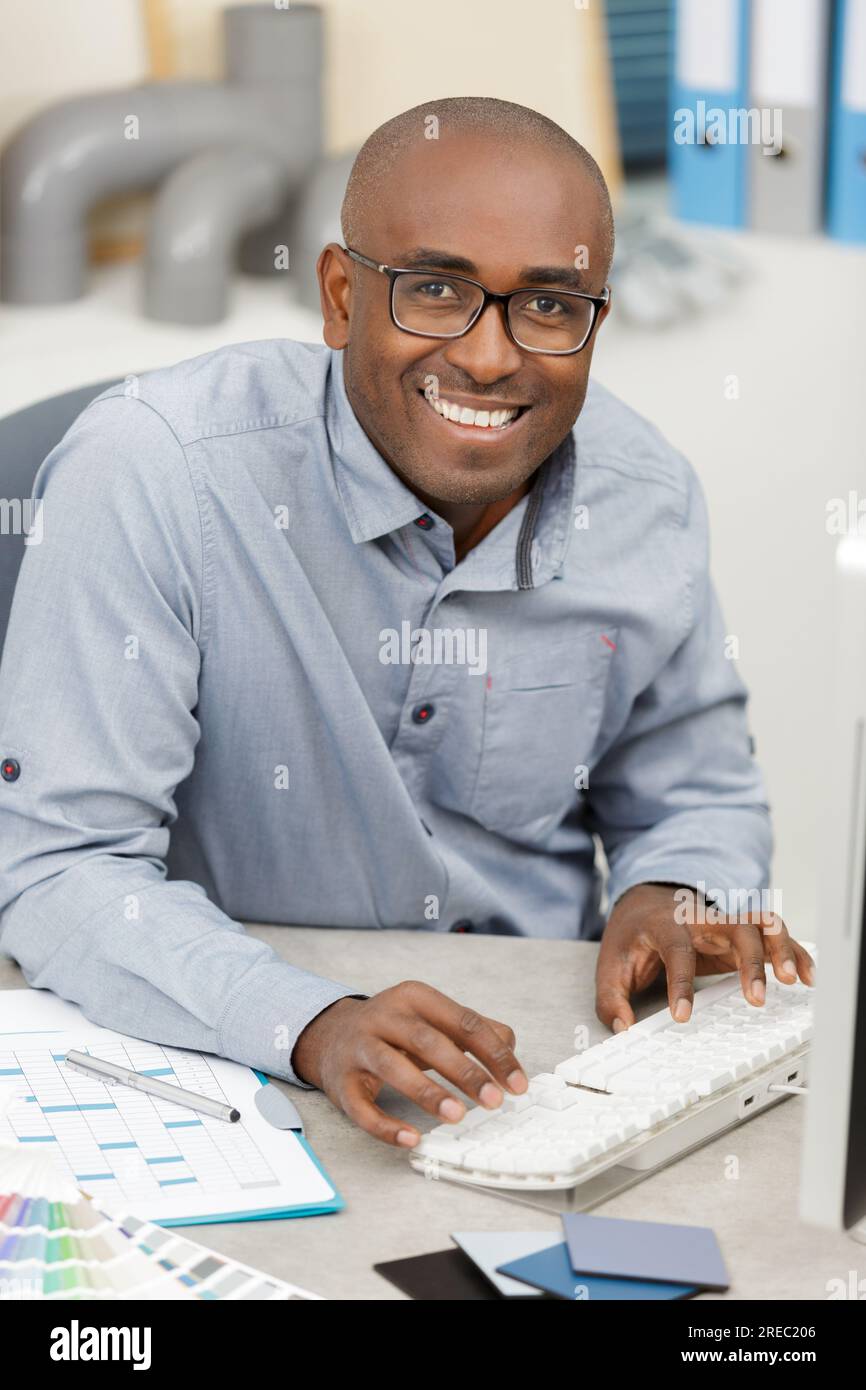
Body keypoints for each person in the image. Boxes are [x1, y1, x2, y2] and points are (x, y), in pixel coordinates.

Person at [0, 97, 813, 1150]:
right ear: (340, 297)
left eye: (549, 305)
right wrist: (312, 1023)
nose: (486, 357)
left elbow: (692, 786)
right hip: (235, 1069)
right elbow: (62, 868)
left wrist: (675, 886)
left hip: (554, 1079)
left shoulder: (644, 492)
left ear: (591, 325)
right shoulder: (155, 471)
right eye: (435, 290)